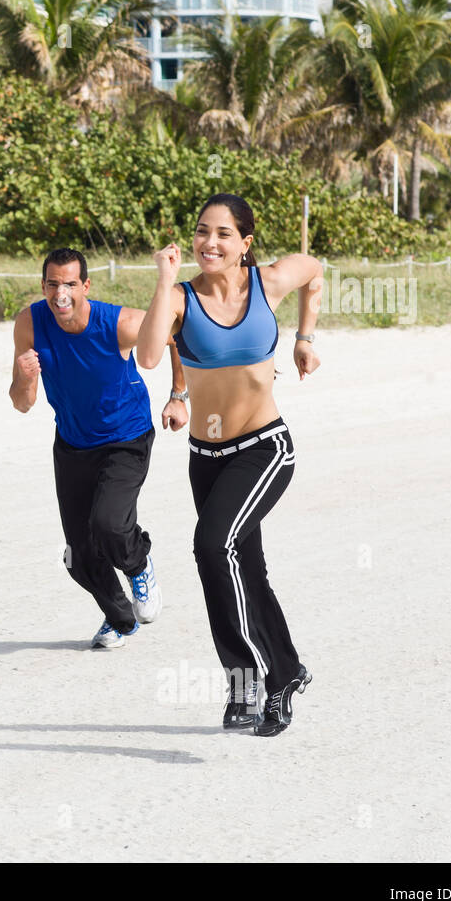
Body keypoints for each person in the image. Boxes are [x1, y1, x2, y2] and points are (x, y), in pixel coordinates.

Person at [136, 193, 322, 736]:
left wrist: (305, 339)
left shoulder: (269, 283)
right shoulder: (178, 299)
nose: (208, 243)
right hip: (207, 457)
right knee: (242, 568)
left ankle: (274, 677)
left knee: (211, 546)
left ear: (245, 243)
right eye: (200, 232)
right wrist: (161, 282)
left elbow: (315, 273)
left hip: (265, 448)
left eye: (222, 234)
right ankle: (260, 681)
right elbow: (149, 355)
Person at [10, 248, 188, 650]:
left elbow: (173, 332)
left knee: (109, 526)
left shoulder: (119, 323)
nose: (61, 294)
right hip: (72, 443)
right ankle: (121, 620)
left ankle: (138, 565)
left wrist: (179, 395)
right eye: (53, 284)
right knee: (78, 558)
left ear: (85, 286)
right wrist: (24, 378)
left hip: (126, 437)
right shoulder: (30, 322)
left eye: (70, 284)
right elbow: (23, 403)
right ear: (43, 286)